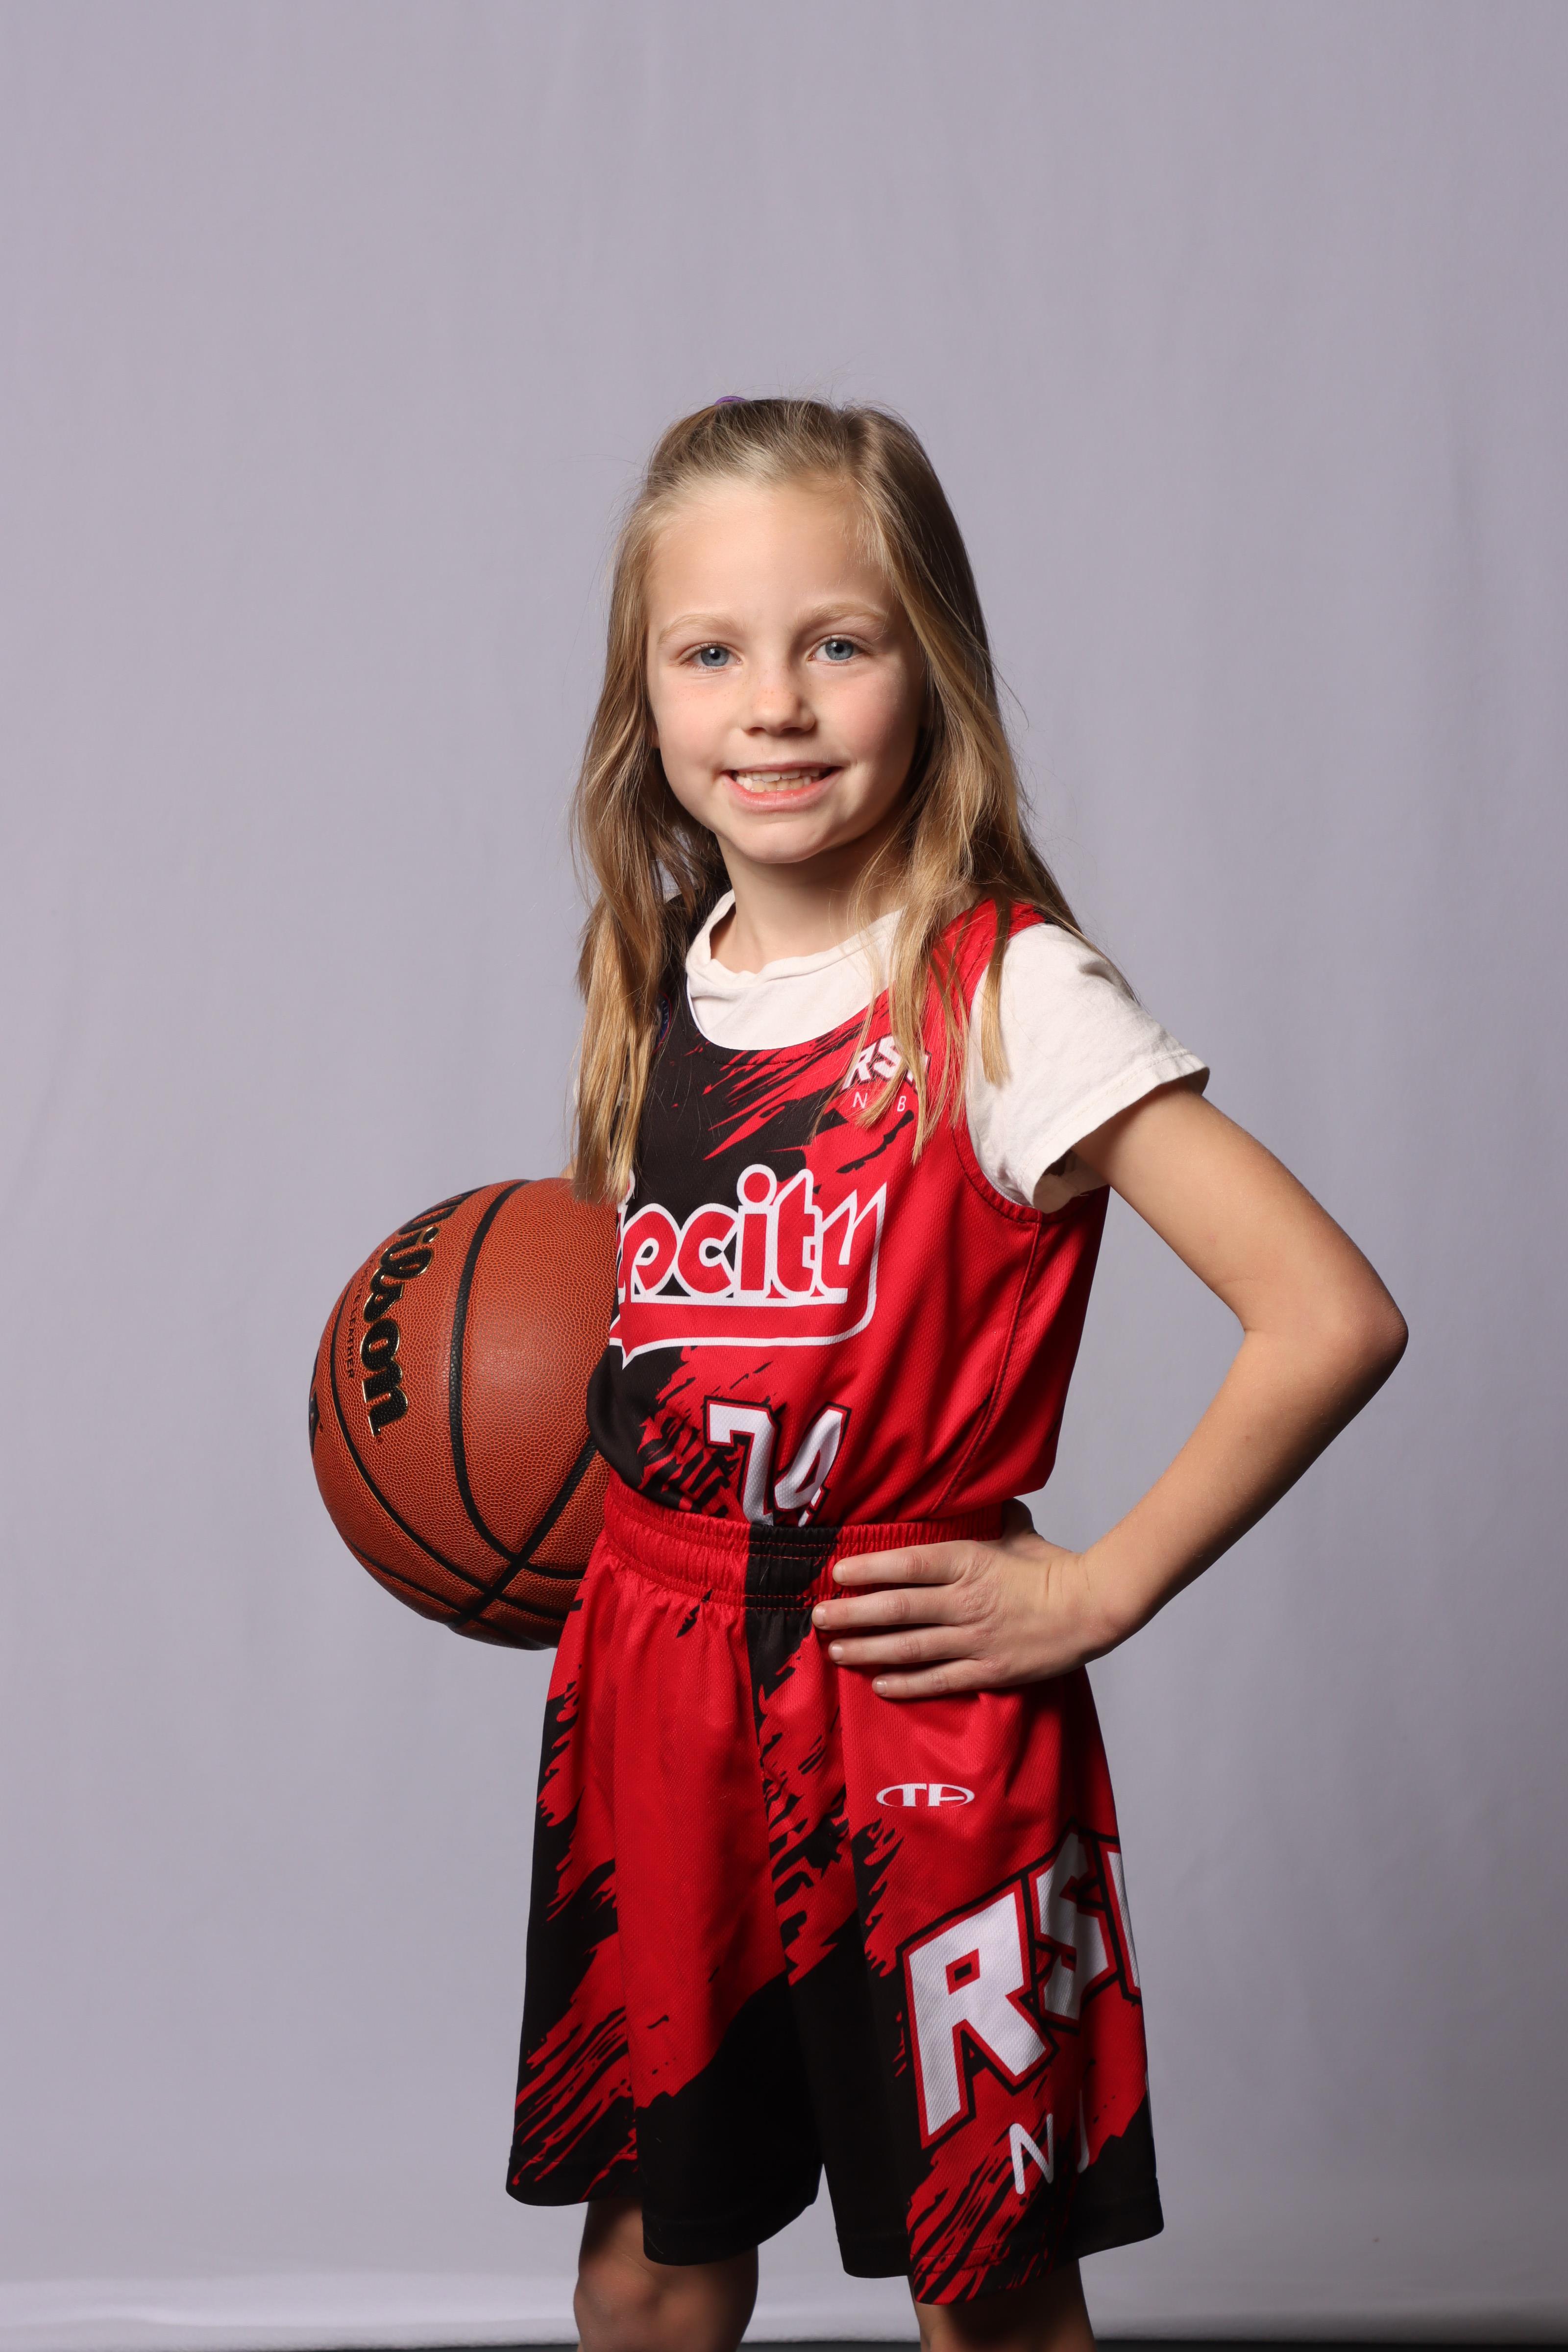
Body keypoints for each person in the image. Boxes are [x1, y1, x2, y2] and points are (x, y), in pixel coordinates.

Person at [505, 398, 1406, 2352]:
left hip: (905, 1699)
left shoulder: (1002, 993)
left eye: (837, 642)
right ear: (641, 693)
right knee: (648, 2265)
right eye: (708, 651)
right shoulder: (657, 970)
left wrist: (1098, 1588)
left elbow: (1327, 1312)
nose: (772, 704)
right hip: (660, 1696)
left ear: (933, 667)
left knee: (986, 2290)